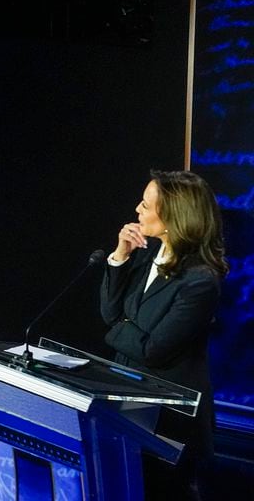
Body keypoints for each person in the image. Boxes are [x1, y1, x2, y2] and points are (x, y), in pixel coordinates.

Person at [100, 169, 227, 500]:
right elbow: (110, 313)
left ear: (173, 216)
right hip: (127, 406)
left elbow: (154, 350)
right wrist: (120, 257)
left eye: (146, 204)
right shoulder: (145, 254)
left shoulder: (200, 281)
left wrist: (117, 327)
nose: (137, 209)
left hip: (169, 421)